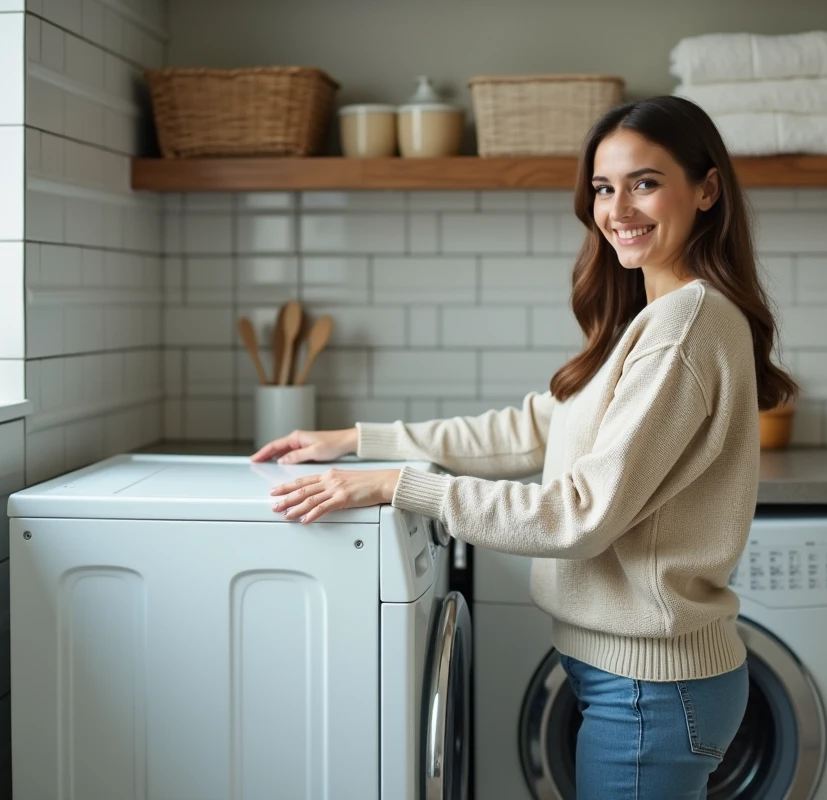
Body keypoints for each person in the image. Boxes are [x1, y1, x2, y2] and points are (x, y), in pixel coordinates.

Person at [251, 95, 797, 799]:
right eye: (604, 187)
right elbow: (535, 425)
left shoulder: (685, 327)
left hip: (651, 690)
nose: (618, 208)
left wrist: (400, 486)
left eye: (646, 182)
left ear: (707, 189)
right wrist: (361, 441)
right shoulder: (652, 316)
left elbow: (579, 515)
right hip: (640, 682)